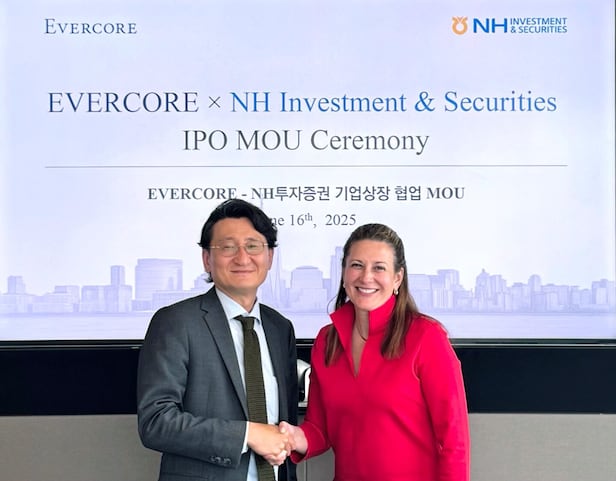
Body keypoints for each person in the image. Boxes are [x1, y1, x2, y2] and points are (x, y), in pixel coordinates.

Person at [277, 223, 470, 481]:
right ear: (344, 273)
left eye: (379, 267)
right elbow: (320, 430)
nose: (366, 277)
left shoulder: (427, 337)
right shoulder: (327, 340)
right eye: (357, 265)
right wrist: (291, 437)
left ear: (397, 278)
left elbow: (454, 442)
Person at [137, 199, 298, 481]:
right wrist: (247, 434)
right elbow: (156, 421)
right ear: (207, 259)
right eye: (227, 247)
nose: (242, 258)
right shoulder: (176, 322)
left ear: (270, 257)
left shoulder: (279, 328)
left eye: (253, 246)